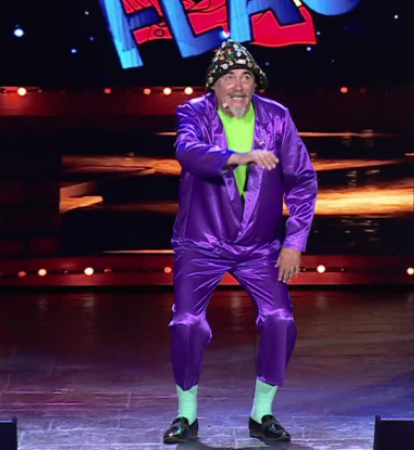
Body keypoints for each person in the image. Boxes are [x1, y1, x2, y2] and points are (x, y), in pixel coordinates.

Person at [163, 39, 318, 444]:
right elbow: (189, 152)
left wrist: (294, 242)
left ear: (255, 83)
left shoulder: (277, 118)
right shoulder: (193, 112)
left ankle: (262, 413)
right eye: (229, 77)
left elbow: (302, 181)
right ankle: (186, 415)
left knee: (280, 320)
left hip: (259, 246)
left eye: (246, 77)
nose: (238, 85)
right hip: (201, 241)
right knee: (186, 324)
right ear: (214, 84)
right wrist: (240, 156)